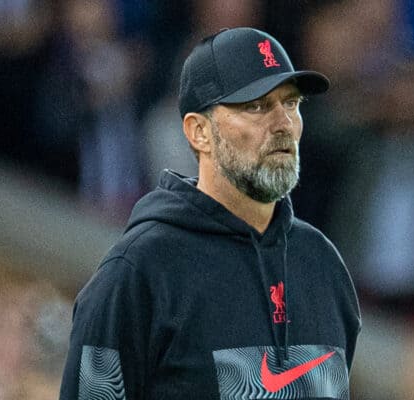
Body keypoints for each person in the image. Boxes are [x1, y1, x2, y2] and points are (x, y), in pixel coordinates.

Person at [59, 27, 361, 400]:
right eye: (257, 106)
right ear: (199, 132)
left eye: (292, 104)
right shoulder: (138, 273)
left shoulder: (322, 265)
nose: (284, 124)